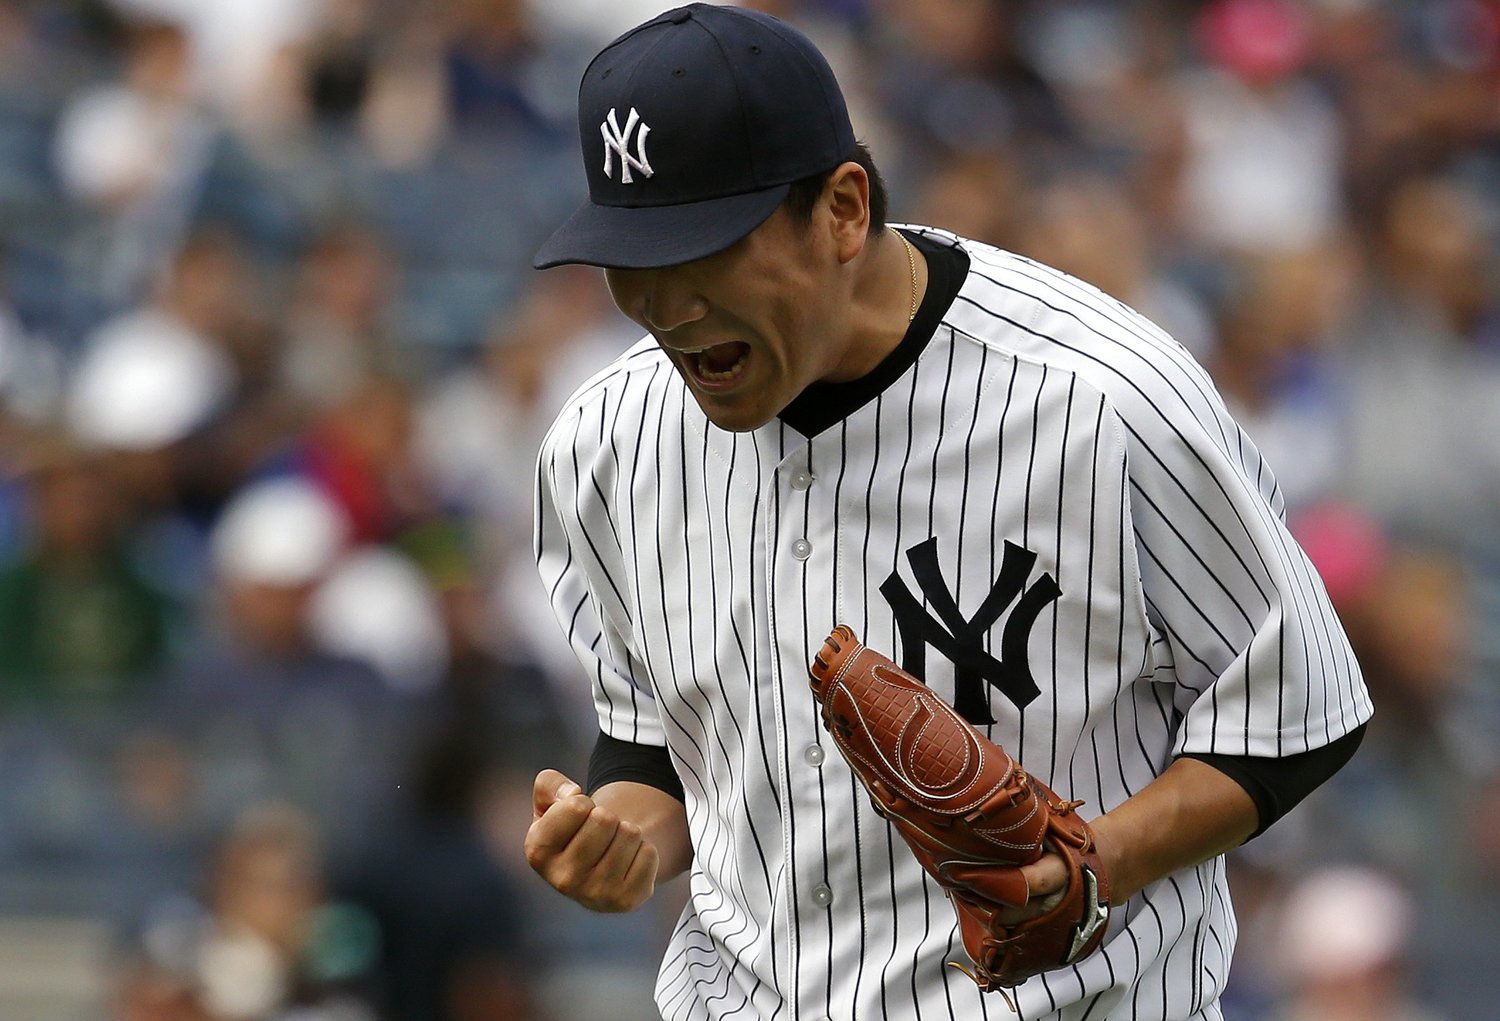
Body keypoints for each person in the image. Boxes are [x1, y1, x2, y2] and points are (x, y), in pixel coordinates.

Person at [522, 6, 1372, 1019]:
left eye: (704, 251)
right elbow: (657, 750)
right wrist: (624, 837)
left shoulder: (1103, 402)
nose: (665, 306)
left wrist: (1097, 862)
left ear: (842, 209)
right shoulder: (606, 443)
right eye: (633, 261)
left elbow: (1296, 711)